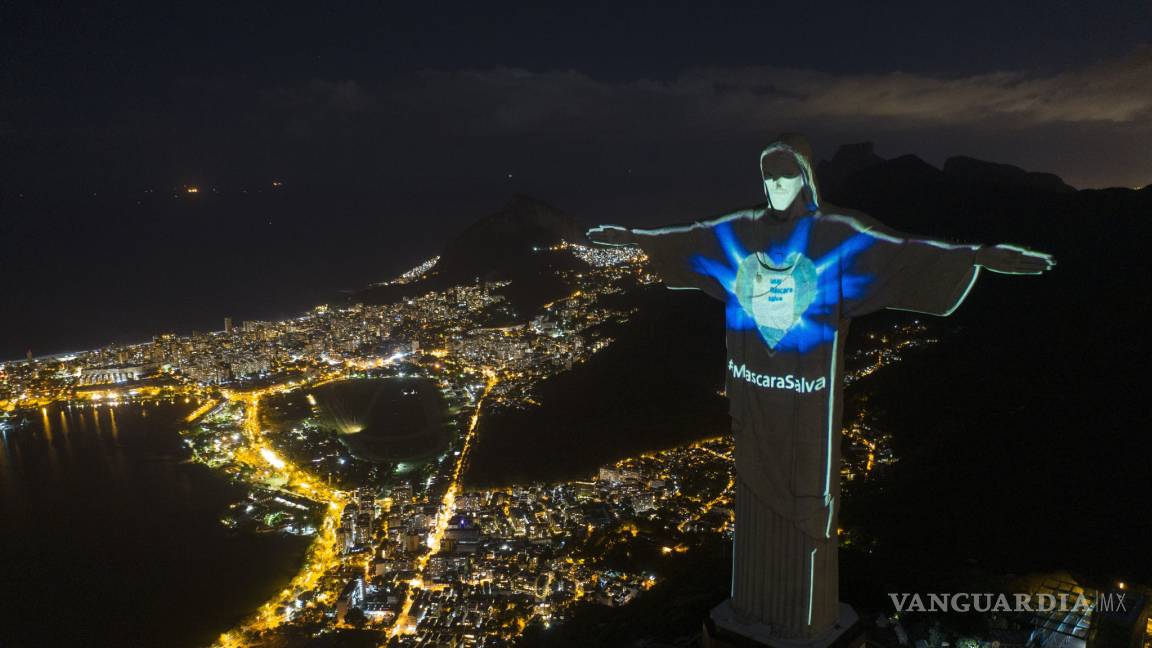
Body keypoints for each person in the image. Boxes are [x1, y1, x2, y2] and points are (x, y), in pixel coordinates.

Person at [587, 133, 1054, 642]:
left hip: (805, 404)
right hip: (752, 397)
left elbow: (901, 254)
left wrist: (977, 257)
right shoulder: (740, 231)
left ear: (806, 179)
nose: (776, 187)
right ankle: (753, 609)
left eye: (786, 176)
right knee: (752, 502)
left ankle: (801, 619)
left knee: (807, 500)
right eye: (768, 177)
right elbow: (689, 239)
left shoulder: (834, 234)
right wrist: (633, 236)